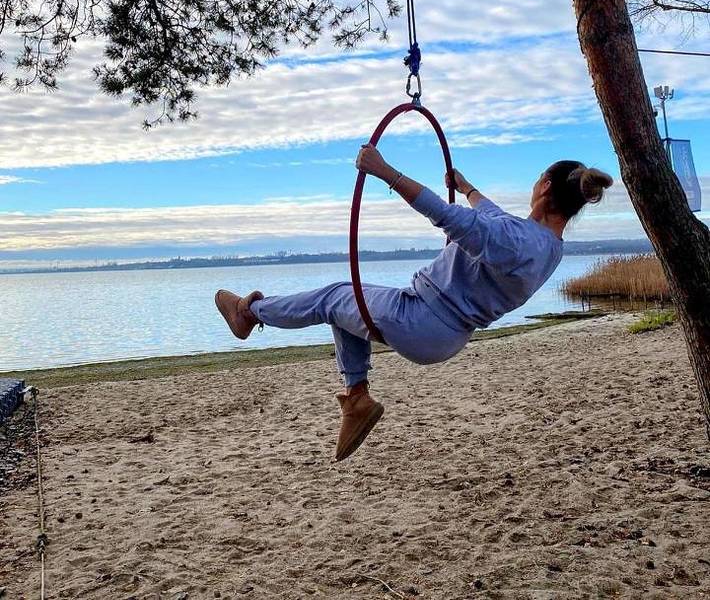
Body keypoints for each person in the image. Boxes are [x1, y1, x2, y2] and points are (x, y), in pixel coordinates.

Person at [215, 145, 612, 462]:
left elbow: (444, 215)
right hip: (445, 333)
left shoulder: (515, 240)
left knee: (334, 296)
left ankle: (248, 313)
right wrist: (467, 186)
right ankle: (356, 398)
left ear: (543, 186)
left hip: (422, 318)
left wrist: (384, 171)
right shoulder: (549, 247)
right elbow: (493, 217)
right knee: (349, 305)